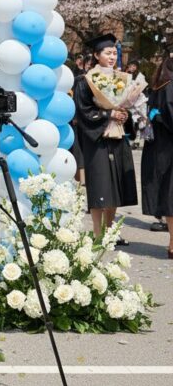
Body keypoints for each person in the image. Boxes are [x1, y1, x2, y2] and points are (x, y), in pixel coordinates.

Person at [73, 34, 136, 243]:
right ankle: (97, 233)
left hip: (117, 137)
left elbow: (125, 106)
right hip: (97, 139)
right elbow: (83, 111)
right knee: (100, 185)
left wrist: (124, 115)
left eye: (114, 53)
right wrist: (108, 114)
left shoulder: (121, 78)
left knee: (116, 185)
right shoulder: (85, 81)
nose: (112, 57)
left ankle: (110, 231)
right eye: (107, 53)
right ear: (96, 55)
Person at [141, 45, 173, 255]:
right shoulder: (170, 87)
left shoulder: (159, 86)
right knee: (171, 195)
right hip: (169, 147)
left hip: (160, 148)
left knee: (168, 194)